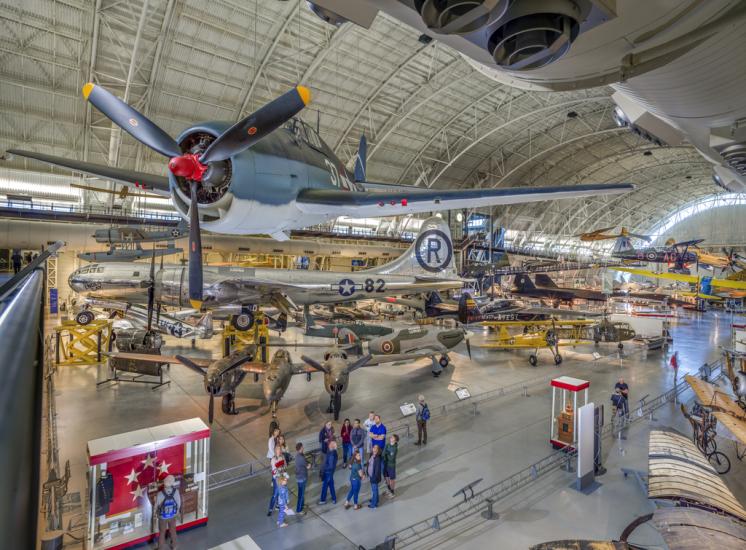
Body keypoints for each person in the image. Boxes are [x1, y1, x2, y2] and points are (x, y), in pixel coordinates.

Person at [156, 475, 181, 549]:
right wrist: (175, 512)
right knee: (173, 531)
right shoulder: (176, 492)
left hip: (162, 517)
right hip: (173, 515)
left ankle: (160, 548)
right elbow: (178, 504)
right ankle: (174, 546)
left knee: (162, 533)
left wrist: (157, 514)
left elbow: (156, 506)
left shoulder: (159, 494)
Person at [267, 445, 286, 516]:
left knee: (281, 493)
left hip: (281, 476)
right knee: (275, 494)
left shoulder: (282, 457)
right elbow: (274, 470)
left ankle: (279, 505)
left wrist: (281, 468)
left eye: (279, 449)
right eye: (277, 449)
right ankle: (270, 509)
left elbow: (284, 467)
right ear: (275, 451)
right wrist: (279, 466)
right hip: (276, 478)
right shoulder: (273, 459)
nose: (279, 451)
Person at [319, 440, 338, 504]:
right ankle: (334, 499)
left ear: (331, 446)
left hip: (328, 472)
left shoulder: (332, 454)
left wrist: (323, 468)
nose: (328, 445)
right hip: (329, 472)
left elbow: (330, 466)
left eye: (330, 444)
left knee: (325, 486)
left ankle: (323, 500)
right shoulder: (331, 451)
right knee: (331, 485)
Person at [294, 442, 310, 515]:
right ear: (300, 448)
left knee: (302, 494)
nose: (303, 448)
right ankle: (299, 509)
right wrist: (309, 465)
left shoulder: (297, 455)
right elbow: (307, 466)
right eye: (302, 447)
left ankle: (302, 505)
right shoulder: (301, 457)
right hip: (302, 478)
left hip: (299, 477)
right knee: (301, 494)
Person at [367, 445, 382, 509]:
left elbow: (377, 470)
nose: (374, 449)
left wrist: (374, 478)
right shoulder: (372, 455)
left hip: (374, 477)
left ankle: (374, 504)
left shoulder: (377, 458)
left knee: (374, 490)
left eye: (376, 448)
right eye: (374, 447)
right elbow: (369, 464)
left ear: (378, 450)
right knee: (374, 489)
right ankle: (376, 499)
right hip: (371, 475)